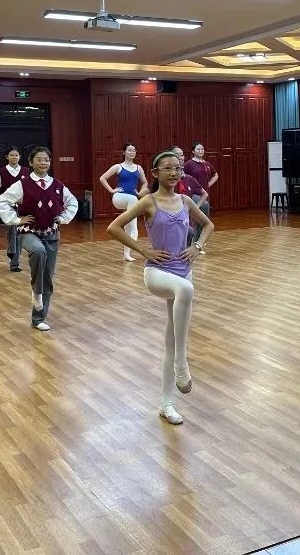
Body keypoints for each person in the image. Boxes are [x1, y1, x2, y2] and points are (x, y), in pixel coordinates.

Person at [107, 150, 213, 425]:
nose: (174, 173)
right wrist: (143, 250)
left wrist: (197, 246)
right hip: (157, 273)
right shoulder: (148, 201)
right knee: (186, 291)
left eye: (177, 168)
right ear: (155, 173)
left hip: (183, 270)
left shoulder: (186, 201)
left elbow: (208, 225)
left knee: (171, 337)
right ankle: (182, 362)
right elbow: (114, 227)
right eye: (168, 168)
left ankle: (167, 404)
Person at [0, 147, 78, 331]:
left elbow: (73, 202)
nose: (43, 163)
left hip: (51, 234)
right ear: (31, 162)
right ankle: (37, 292)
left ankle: (38, 318)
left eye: (46, 159)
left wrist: (63, 218)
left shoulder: (57, 185)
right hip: (28, 232)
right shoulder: (22, 184)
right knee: (38, 251)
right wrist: (16, 219)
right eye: (39, 159)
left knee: (47, 278)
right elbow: (1, 202)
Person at [99, 142, 149, 261]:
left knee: (129, 227)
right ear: (124, 152)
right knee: (133, 222)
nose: (132, 152)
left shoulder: (138, 168)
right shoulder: (118, 167)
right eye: (129, 150)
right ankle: (132, 241)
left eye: (134, 150)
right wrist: (111, 190)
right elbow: (102, 178)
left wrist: (140, 192)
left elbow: (145, 182)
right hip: (119, 197)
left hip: (132, 200)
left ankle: (127, 254)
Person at [170, 146, 209, 247]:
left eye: (182, 155)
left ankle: (195, 245)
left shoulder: (189, 179)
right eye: (177, 155)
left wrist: (196, 207)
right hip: (170, 219)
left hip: (185, 220)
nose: (180, 157)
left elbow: (204, 193)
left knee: (189, 232)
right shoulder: (166, 179)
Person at [183, 142, 218, 250]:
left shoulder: (207, 164)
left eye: (202, 149)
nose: (201, 151)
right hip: (194, 194)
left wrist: (208, 184)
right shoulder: (189, 164)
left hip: (204, 193)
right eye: (198, 149)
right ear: (193, 151)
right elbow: (182, 176)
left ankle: (198, 242)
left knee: (203, 219)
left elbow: (215, 175)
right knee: (197, 217)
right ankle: (193, 242)